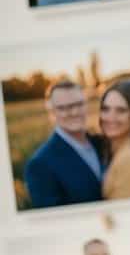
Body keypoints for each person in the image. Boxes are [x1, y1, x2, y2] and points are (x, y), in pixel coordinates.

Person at [24, 80, 104, 209]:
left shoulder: (100, 143)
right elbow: (53, 222)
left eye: (78, 104)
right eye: (63, 108)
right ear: (52, 113)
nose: (74, 112)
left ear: (86, 105)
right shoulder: (39, 165)